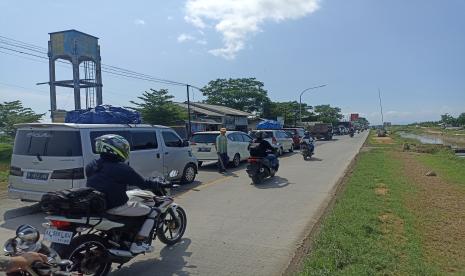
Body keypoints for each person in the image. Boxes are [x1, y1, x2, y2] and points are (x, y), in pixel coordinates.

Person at [86, 134, 162, 254]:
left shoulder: (92, 164)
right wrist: (157, 184)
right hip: (115, 206)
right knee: (154, 211)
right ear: (116, 149)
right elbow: (142, 184)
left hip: (96, 204)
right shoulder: (121, 168)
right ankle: (138, 243)